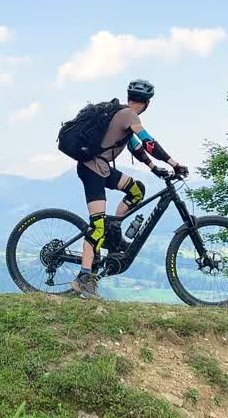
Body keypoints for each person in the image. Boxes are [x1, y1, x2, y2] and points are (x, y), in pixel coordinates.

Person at [69, 79, 188, 299]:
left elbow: (136, 148)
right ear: (147, 103)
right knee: (97, 227)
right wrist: (174, 163)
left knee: (136, 190)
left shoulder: (123, 116)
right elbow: (149, 143)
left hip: (102, 169)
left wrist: (154, 168)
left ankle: (113, 229)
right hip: (92, 171)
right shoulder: (128, 115)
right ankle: (83, 278)